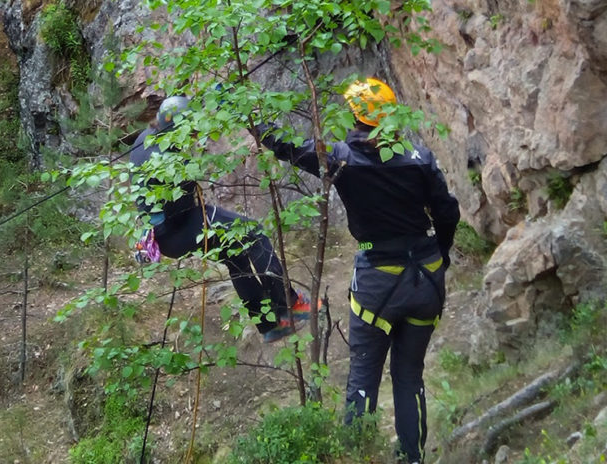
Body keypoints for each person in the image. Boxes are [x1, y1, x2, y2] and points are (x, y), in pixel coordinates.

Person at [255, 78, 460, 464]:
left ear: (355, 115)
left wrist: (251, 119)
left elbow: (286, 147)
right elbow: (448, 212)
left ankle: (356, 455)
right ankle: (412, 458)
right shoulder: (419, 157)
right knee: (410, 376)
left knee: (363, 378)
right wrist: (443, 256)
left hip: (377, 282)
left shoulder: (341, 157)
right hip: (426, 277)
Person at [129, 94, 311, 343]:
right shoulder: (171, 159)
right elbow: (181, 203)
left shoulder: (142, 140)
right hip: (178, 227)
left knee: (235, 255)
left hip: (162, 234)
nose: (193, 135)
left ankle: (269, 325)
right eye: (190, 129)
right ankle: (287, 306)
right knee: (253, 234)